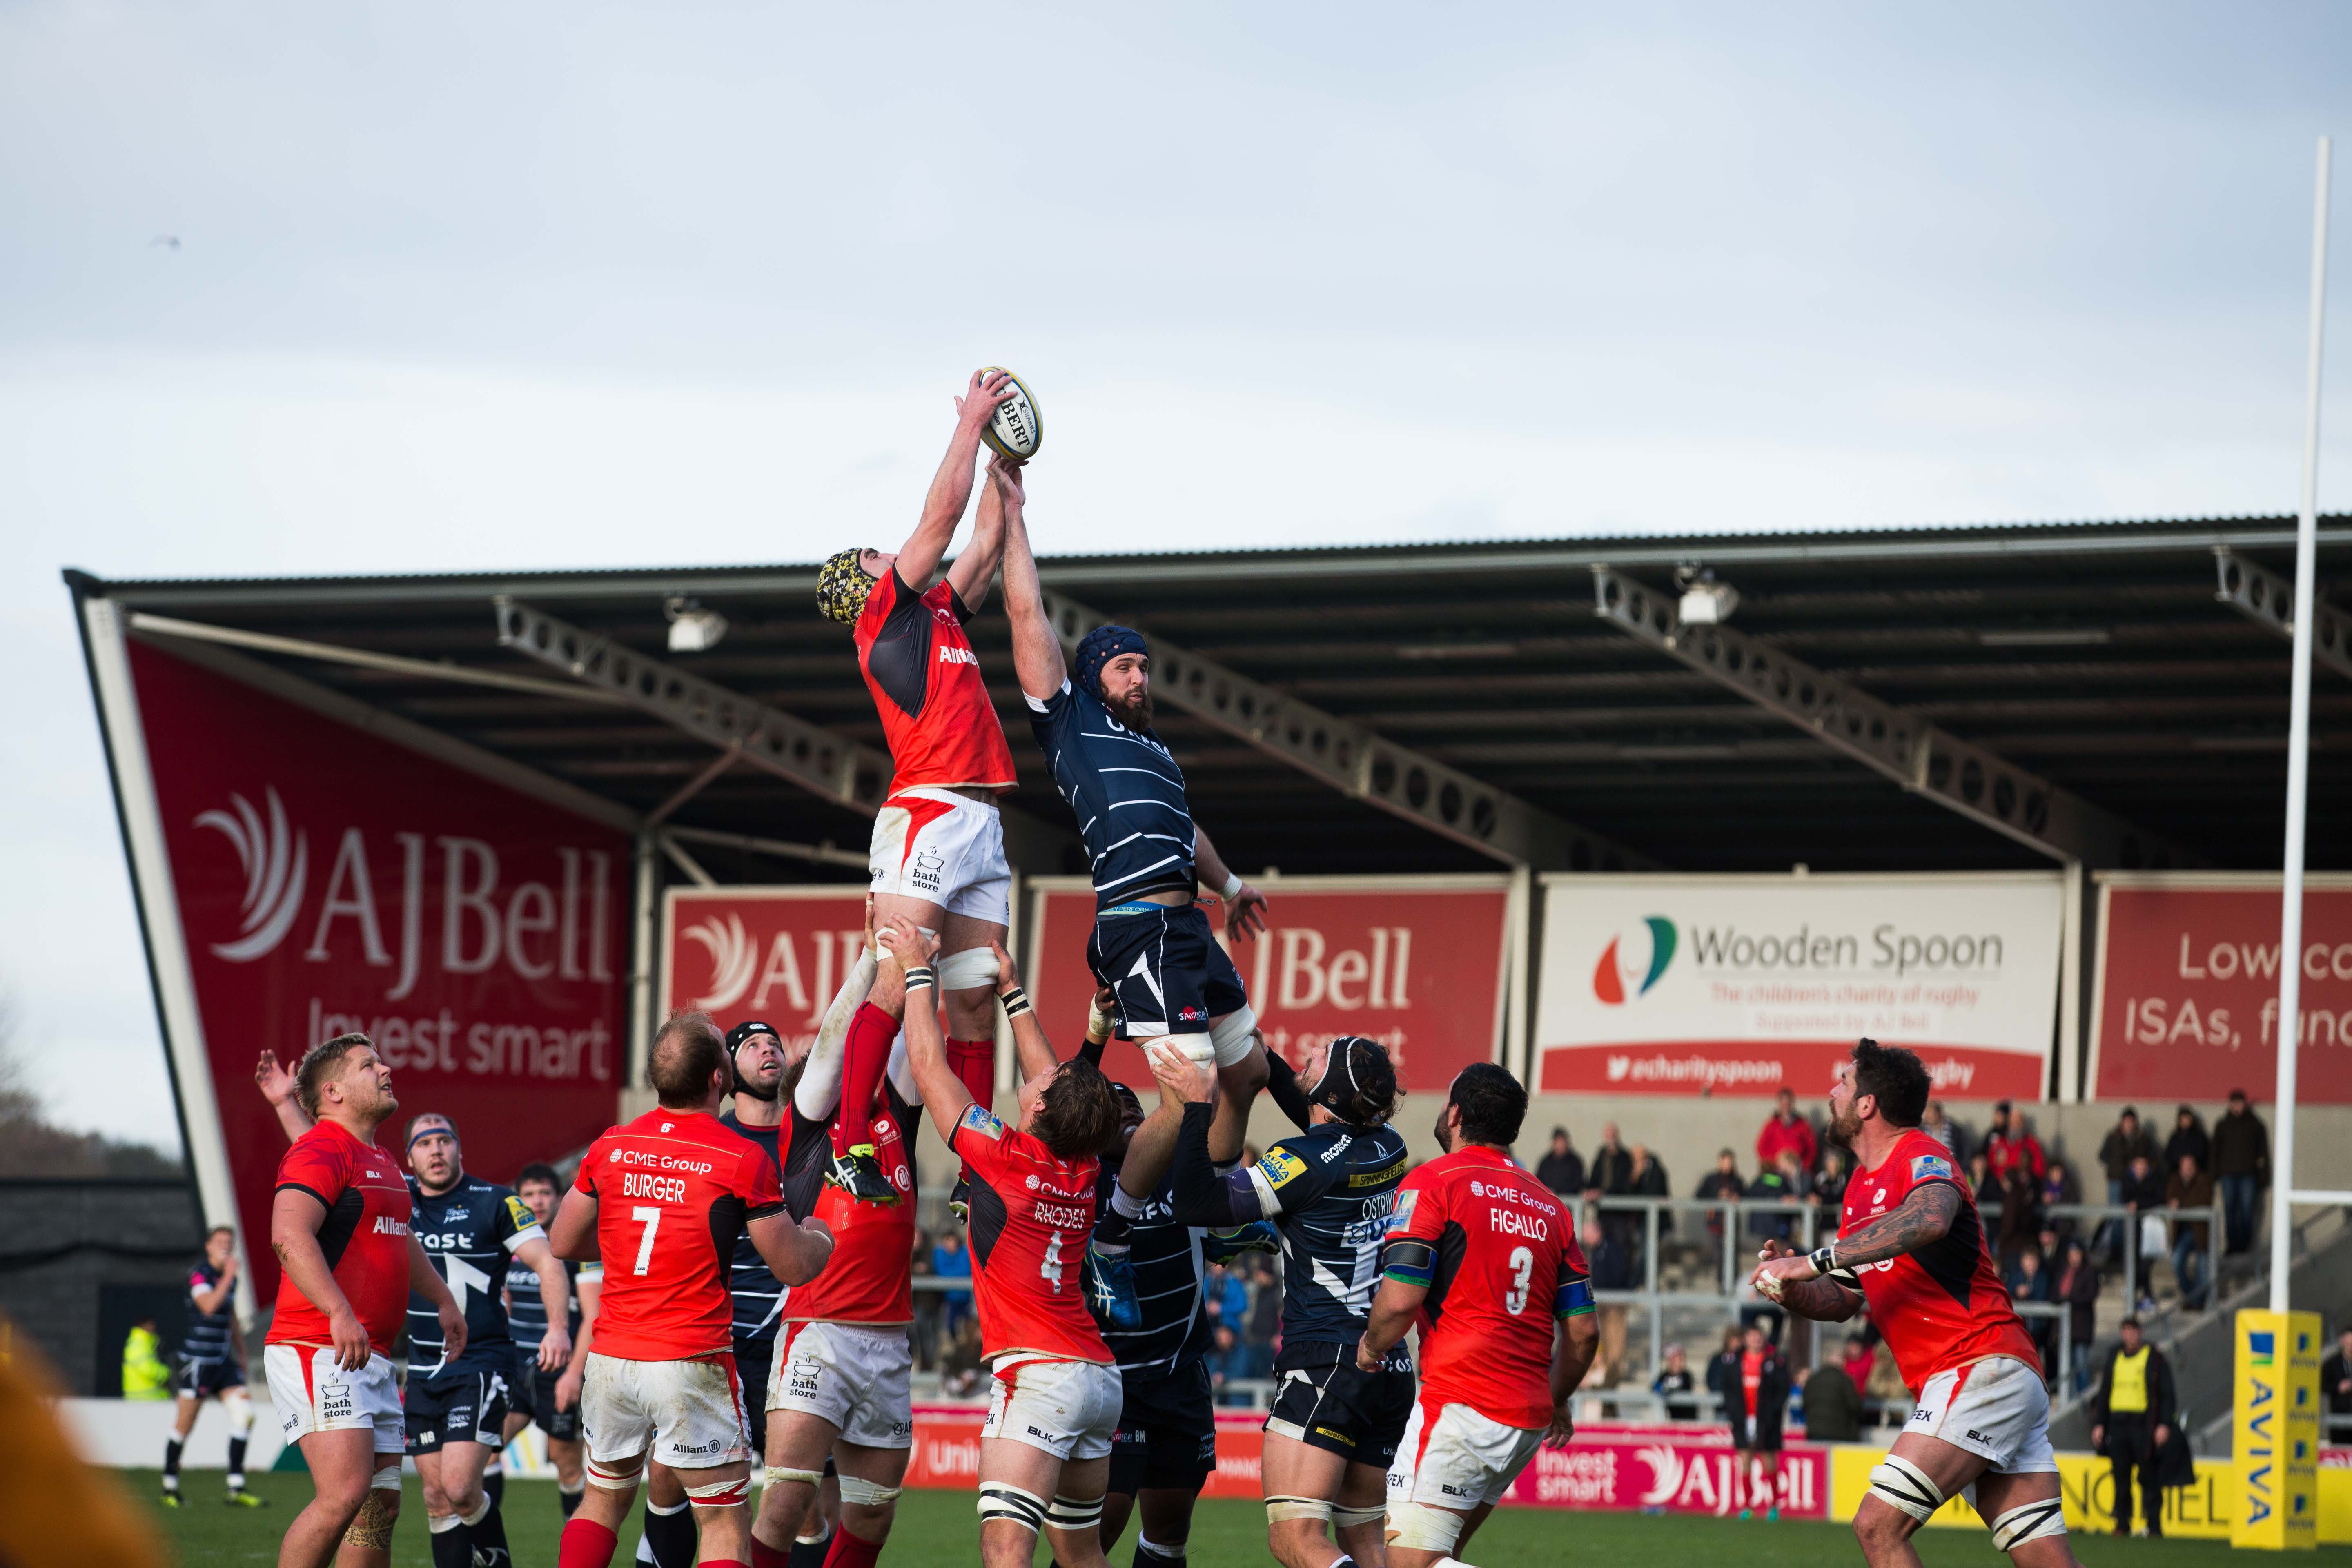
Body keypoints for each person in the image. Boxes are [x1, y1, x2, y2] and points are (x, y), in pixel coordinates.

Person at [990, 456, 1272, 1330]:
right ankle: (1110, 1239)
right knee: (1187, 1093)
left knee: (1247, 1073)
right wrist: (1012, 512)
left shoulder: (1157, 753)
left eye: (1145, 668)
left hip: (1191, 926)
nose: (1140, 679)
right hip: (1139, 930)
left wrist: (1230, 885)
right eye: (1125, 669)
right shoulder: (1071, 721)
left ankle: (1211, 1207)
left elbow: (1186, 833)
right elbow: (1027, 613)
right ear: (1093, 678)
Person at [810, 368, 1020, 1205]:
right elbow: (941, 522)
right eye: (877, 555)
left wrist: (1005, 472)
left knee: (974, 1004)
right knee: (898, 980)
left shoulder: (934, 614)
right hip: (928, 808)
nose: (891, 553)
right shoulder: (883, 618)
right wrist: (970, 424)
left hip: (980, 819)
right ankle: (850, 1141)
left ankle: (972, 1165)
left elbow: (984, 545)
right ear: (863, 583)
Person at [1753, 1038, 2078, 1568]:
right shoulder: (1859, 1188)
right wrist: (1790, 1288)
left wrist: (1813, 1260)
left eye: (1842, 1083)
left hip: (1977, 1365)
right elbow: (1844, 1298)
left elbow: (1931, 1217)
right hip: (1988, 1373)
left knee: (1877, 1526)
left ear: (1867, 1105)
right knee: (2048, 1562)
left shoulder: (1922, 1155)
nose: (1831, 1092)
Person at [548, 1012, 837, 1568]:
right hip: (690, 1356)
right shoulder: (739, 1156)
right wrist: (822, 1233)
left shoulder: (613, 1144)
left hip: (612, 1356)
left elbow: (563, 1241)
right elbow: (795, 1267)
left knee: (601, 1502)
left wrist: (625, 1246)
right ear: (717, 1079)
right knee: (724, 1521)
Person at [884, 914, 1128, 1568]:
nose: (1043, 1075)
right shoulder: (1083, 1165)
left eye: (1046, 1085)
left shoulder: (1005, 1159)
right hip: (1096, 1377)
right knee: (1081, 1553)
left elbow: (929, 1066)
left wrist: (917, 972)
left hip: (1039, 1374)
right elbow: (1058, 1083)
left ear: (1040, 1108)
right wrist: (1012, 992)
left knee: (1005, 1547)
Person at [258, 1062, 569, 1568]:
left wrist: (453, 1302)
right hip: (342, 1351)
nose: (436, 1150)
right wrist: (285, 1105)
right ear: (412, 1156)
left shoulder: (488, 1198)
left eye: (444, 1140)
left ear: (460, 1149)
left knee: (386, 1506)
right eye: (425, 1143)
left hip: (446, 1359)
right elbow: (313, 1172)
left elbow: (546, 1261)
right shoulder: (367, 1168)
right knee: (365, 1495)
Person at [1155, 1032, 1410, 1568]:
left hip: (1326, 1362)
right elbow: (1323, 1126)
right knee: (1365, 1544)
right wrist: (1248, 1041)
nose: (1313, 1050)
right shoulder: (1389, 1145)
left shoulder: (1302, 1162)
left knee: (1296, 1540)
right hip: (1386, 1365)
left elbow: (1194, 1203)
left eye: (1323, 1056)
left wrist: (1197, 1106)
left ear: (1333, 1093)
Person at [1358, 1061, 1599, 1568]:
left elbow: (1400, 1299)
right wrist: (1557, 1398)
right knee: (1437, 1554)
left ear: (1456, 1114)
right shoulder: (1552, 1207)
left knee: (1407, 1563)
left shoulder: (1433, 1181)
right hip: (1527, 1417)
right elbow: (1583, 1333)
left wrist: (1371, 1346)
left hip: (1461, 1404)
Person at [265, 1033, 463, 1568]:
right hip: (317, 1346)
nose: (386, 1069)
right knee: (345, 1494)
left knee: (379, 1508)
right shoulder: (320, 1149)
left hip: (368, 1356)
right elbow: (289, 1235)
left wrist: (443, 1299)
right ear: (333, 1092)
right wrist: (338, 1311)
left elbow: (399, 1238)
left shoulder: (378, 1158)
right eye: (369, 1065)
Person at [502, 1165, 601, 1523]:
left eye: (545, 1193)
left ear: (560, 1199)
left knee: (567, 1462)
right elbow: (504, 1303)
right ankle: (484, 1546)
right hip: (514, 1367)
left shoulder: (577, 1246)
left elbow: (594, 1316)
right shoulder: (510, 1244)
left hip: (558, 1370)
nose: (537, 1202)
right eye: (529, 1195)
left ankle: (575, 1544)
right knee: (486, 1451)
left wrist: (574, 1374)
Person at [160, 1225, 263, 1507]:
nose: (226, 1247)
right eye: (220, 1242)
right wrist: (229, 1276)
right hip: (198, 1361)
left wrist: (242, 1352)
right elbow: (208, 1306)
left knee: (245, 1415)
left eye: (230, 1242)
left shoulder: (230, 1279)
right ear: (208, 1246)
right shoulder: (200, 1275)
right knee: (185, 1425)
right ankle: (170, 1488)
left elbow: (229, 1314)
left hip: (223, 1361)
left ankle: (236, 1488)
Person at [2089, 1319, 2174, 1538]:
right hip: (2118, 1424)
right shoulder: (2115, 1357)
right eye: (2126, 1331)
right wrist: (2099, 1423)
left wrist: (2164, 1424)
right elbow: (2105, 1392)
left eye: (2133, 1331)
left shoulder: (2153, 1358)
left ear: (2140, 1333)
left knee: (2149, 1476)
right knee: (2121, 1477)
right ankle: (2122, 1523)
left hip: (2143, 1425)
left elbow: (2166, 1394)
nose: (2130, 1335)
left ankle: (2154, 1526)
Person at [1726, 1323, 1790, 1519]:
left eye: (1758, 1336)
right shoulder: (1735, 1361)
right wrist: (1734, 1413)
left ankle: (1774, 1506)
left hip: (1766, 1419)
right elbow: (1728, 1390)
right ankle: (1747, 1506)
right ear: (1746, 1339)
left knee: (1769, 1461)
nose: (1755, 1340)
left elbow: (1783, 1389)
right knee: (1745, 1460)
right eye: (1752, 1336)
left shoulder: (1773, 1361)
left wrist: (1773, 1412)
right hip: (1744, 1418)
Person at [2211, 1090, 2270, 1256]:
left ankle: (2245, 1246)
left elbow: (2263, 1152)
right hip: (2228, 1175)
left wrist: (2263, 1176)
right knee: (2230, 1210)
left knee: (2246, 1210)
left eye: (2240, 1103)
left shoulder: (2255, 1125)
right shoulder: (2223, 1125)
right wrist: (2215, 1173)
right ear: (2230, 1105)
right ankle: (2232, 1245)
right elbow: (2215, 1151)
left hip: (2248, 1175)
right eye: (2235, 1103)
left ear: (2245, 1104)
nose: (2237, 1107)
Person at [2096, 1108, 2157, 1262]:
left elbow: (2152, 1158)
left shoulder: (2142, 1139)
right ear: (2122, 1122)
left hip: (2135, 1182)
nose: (2129, 1124)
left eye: (2132, 1121)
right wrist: (2115, 1165)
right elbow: (2102, 1156)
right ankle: (2117, 1253)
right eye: (2127, 1121)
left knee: (2135, 1218)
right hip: (2117, 1181)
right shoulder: (2113, 1137)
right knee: (2117, 1217)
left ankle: (2133, 1255)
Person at [1584, 1219, 1631, 1386]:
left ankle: (1614, 1371)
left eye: (1587, 1235)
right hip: (1599, 1301)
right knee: (1601, 1336)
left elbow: (1619, 1274)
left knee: (1614, 1336)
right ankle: (1602, 1370)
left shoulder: (1610, 1249)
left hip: (1613, 1302)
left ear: (1597, 1232)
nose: (1585, 1239)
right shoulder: (1594, 1251)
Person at [2165, 1154, 2214, 1312]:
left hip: (2201, 1233)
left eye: (2190, 1167)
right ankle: (2191, 1298)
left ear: (2196, 1168)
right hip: (2183, 1233)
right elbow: (2169, 1199)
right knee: (2176, 1262)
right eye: (2184, 1167)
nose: (2187, 1170)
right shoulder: (2175, 1181)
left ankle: (2197, 1303)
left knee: (2203, 1270)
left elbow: (2204, 1201)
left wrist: (2181, 1204)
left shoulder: (2204, 1180)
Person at [2119, 1154, 2165, 1313]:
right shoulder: (2127, 1180)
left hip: (2152, 1227)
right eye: (2138, 1165)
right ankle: (2147, 1295)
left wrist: (2139, 1205)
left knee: (2146, 1261)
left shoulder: (2155, 1179)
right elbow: (2124, 1198)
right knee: (2135, 1260)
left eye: (2144, 1165)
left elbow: (2159, 1199)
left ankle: (2133, 1288)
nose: (2141, 1169)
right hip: (2134, 1228)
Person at [2056, 1241, 2100, 1394]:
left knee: (2081, 1366)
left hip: (2081, 1328)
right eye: (2071, 1254)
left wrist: (2069, 1299)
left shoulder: (2090, 1272)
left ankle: (2083, 1399)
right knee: (2066, 1367)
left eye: (2077, 1253)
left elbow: (2090, 1295)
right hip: (2064, 1328)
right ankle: (2069, 1397)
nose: (2074, 1257)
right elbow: (2055, 1293)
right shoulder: (2063, 1271)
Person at [1802, 1352, 1862, 1443]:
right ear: (1842, 1362)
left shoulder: (1812, 1380)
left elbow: (1805, 1403)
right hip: (1840, 1433)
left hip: (1815, 1431)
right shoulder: (1845, 1380)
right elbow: (1855, 1406)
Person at [1757, 1088, 1818, 1176]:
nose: (1786, 1105)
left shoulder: (1803, 1125)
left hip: (1798, 1172)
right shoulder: (1772, 1125)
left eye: (1788, 1103)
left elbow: (1812, 1149)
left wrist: (1804, 1166)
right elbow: (1762, 1148)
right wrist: (1775, 1164)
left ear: (1792, 1103)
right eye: (1783, 1103)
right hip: (1776, 1171)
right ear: (1779, 1104)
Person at [1695, 1149, 1746, 1249]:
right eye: (1725, 1162)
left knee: (1733, 1249)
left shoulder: (1737, 1180)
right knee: (1717, 1251)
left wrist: (1737, 1197)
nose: (1728, 1166)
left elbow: (1746, 1195)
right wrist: (1717, 1196)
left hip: (1732, 1222)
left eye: (1730, 1163)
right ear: (1720, 1162)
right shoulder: (1711, 1179)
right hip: (1715, 1222)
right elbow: (1700, 1195)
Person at [1984, 1103, 2045, 1184]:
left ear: (2023, 1123)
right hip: (1999, 1185)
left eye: (2018, 1122)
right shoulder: (1999, 1142)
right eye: (2012, 1122)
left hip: (2021, 1185)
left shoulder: (2032, 1144)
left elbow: (2039, 1171)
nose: (2015, 1125)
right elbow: (1990, 1165)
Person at [1652, 1343, 1699, 1420]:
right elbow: (1655, 1388)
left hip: (1688, 1415)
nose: (1677, 1362)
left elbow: (1686, 1389)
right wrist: (1664, 1389)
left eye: (1679, 1359)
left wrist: (1669, 1389)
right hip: (1673, 1415)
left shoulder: (1686, 1375)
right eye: (1673, 1359)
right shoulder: (1665, 1376)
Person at [2323, 1326, 2352, 1443]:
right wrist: (2338, 1387)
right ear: (2342, 1341)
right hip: (2339, 1417)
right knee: (2339, 1448)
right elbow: (2322, 1385)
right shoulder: (2332, 1363)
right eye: (2348, 1343)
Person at [1535, 1127, 1584, 1196]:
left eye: (1562, 1142)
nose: (1560, 1145)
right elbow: (1538, 1182)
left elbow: (1578, 1184)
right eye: (1558, 1142)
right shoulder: (1546, 1162)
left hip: (1570, 1200)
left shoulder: (1575, 1162)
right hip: (1548, 1199)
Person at [2163, 1106, 2208, 1176]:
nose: (2186, 1121)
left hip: (2197, 1172)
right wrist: (2181, 1161)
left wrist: (2192, 1161)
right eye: (2183, 1119)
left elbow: (2204, 1153)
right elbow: (2169, 1155)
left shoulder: (2200, 1136)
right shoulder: (2175, 1137)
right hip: (2178, 1172)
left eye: (2187, 1119)